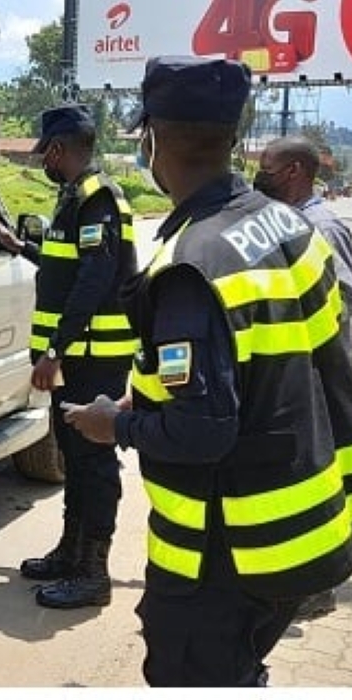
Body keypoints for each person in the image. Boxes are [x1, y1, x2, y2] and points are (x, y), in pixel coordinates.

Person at [63, 55, 352, 687]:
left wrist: (115, 425)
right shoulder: (289, 227)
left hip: (226, 555)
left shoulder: (193, 265)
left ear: (152, 138)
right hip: (306, 530)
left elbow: (202, 432)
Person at [0, 103, 138, 609]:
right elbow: (66, 268)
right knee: (75, 457)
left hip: (92, 359)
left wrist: (54, 350)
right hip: (77, 355)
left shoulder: (97, 198)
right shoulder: (74, 197)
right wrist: (19, 246)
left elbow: (95, 281)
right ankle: (72, 552)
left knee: (93, 463)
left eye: (44, 153)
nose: (43, 163)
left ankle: (94, 573)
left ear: (58, 148)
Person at [255, 134, 352, 622]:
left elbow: (336, 309)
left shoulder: (320, 229)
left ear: (293, 171)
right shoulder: (291, 224)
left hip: (328, 377)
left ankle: (317, 587)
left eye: (266, 166)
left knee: (324, 482)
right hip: (314, 376)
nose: (259, 173)